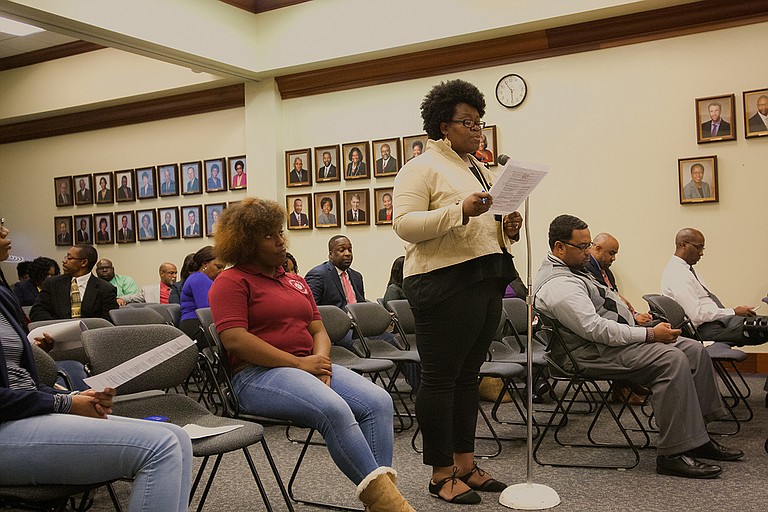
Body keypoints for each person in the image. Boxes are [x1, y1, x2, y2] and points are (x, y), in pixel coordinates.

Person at [208, 198, 415, 512]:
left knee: (378, 401)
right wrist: (300, 363)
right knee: (334, 408)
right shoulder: (230, 281)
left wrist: (320, 363)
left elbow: (318, 329)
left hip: (307, 366)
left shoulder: (295, 280)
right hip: (256, 375)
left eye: (280, 232)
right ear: (246, 243)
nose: (281, 241)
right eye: (269, 235)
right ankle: (392, 506)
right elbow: (235, 340)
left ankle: (382, 503)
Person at [0, 222, 193, 512]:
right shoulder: (45, 287)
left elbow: (16, 376)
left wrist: (65, 399)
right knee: (160, 447)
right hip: (10, 422)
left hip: (23, 411)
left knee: (178, 438)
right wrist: (64, 402)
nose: (6, 232)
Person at [392, 79, 523, 504]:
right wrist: (459, 210)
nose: (477, 130)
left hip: (486, 274)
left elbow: (481, 224)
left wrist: (507, 228)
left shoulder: (477, 167)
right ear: (443, 126)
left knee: (468, 375)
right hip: (442, 281)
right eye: (467, 122)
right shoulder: (420, 168)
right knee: (441, 377)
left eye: (480, 122)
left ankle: (466, 464)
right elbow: (405, 225)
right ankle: (440, 472)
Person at [534, 214, 742, 479]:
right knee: (671, 360)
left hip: (607, 345)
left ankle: (697, 438)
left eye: (589, 244)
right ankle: (672, 454)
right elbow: (596, 330)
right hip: (588, 354)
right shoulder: (558, 285)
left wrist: (638, 323)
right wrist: (648, 335)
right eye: (582, 246)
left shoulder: (574, 269)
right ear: (559, 247)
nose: (589, 251)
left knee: (693, 350)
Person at [661, 228, 768, 346]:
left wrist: (732, 312)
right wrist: (733, 311)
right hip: (706, 330)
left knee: (764, 324)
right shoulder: (677, 274)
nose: (701, 253)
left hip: (716, 323)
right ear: (683, 245)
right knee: (763, 327)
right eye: (698, 247)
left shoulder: (685, 270)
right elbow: (696, 316)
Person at [585, 232, 653, 404]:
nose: (614, 258)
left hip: (612, 316)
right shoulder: (586, 268)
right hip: (600, 320)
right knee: (626, 335)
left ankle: (631, 381)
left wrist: (634, 314)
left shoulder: (605, 271)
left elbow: (616, 298)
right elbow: (602, 303)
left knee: (650, 324)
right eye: (611, 253)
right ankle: (621, 387)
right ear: (597, 248)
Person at [30, 244, 118, 322]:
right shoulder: (52, 283)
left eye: (69, 258)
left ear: (84, 262)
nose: (64, 261)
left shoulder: (106, 289)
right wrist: (57, 327)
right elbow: (37, 311)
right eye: (65, 257)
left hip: (89, 336)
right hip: (56, 337)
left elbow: (108, 322)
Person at [179, 246, 225, 342]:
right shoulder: (199, 279)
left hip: (201, 324)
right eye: (218, 267)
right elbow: (207, 310)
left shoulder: (201, 278)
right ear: (205, 264)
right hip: (196, 326)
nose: (222, 272)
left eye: (223, 268)